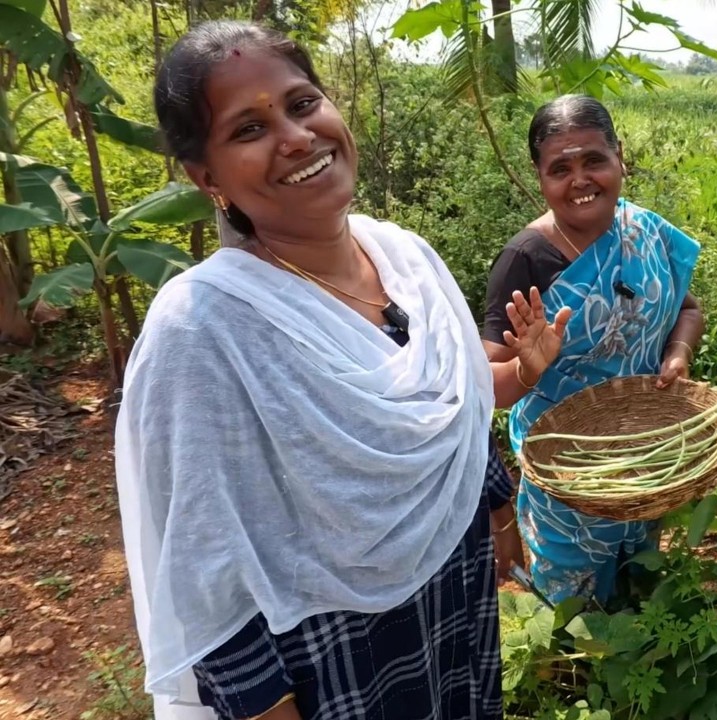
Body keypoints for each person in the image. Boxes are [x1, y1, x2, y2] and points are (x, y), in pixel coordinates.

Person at [116, 20, 569, 720]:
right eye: (247, 130)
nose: (295, 138)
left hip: (455, 602)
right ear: (205, 177)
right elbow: (209, 573)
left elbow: (452, 413)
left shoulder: (407, 260)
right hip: (330, 653)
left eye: (301, 104)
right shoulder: (203, 328)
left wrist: (518, 396)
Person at [483, 95, 705, 606]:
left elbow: (688, 309)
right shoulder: (526, 260)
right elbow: (489, 381)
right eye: (560, 168)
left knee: (641, 584)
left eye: (593, 160)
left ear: (619, 156)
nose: (580, 180)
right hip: (567, 473)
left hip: (644, 458)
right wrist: (527, 365)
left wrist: (676, 354)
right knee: (575, 612)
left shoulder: (644, 232)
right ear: (540, 178)